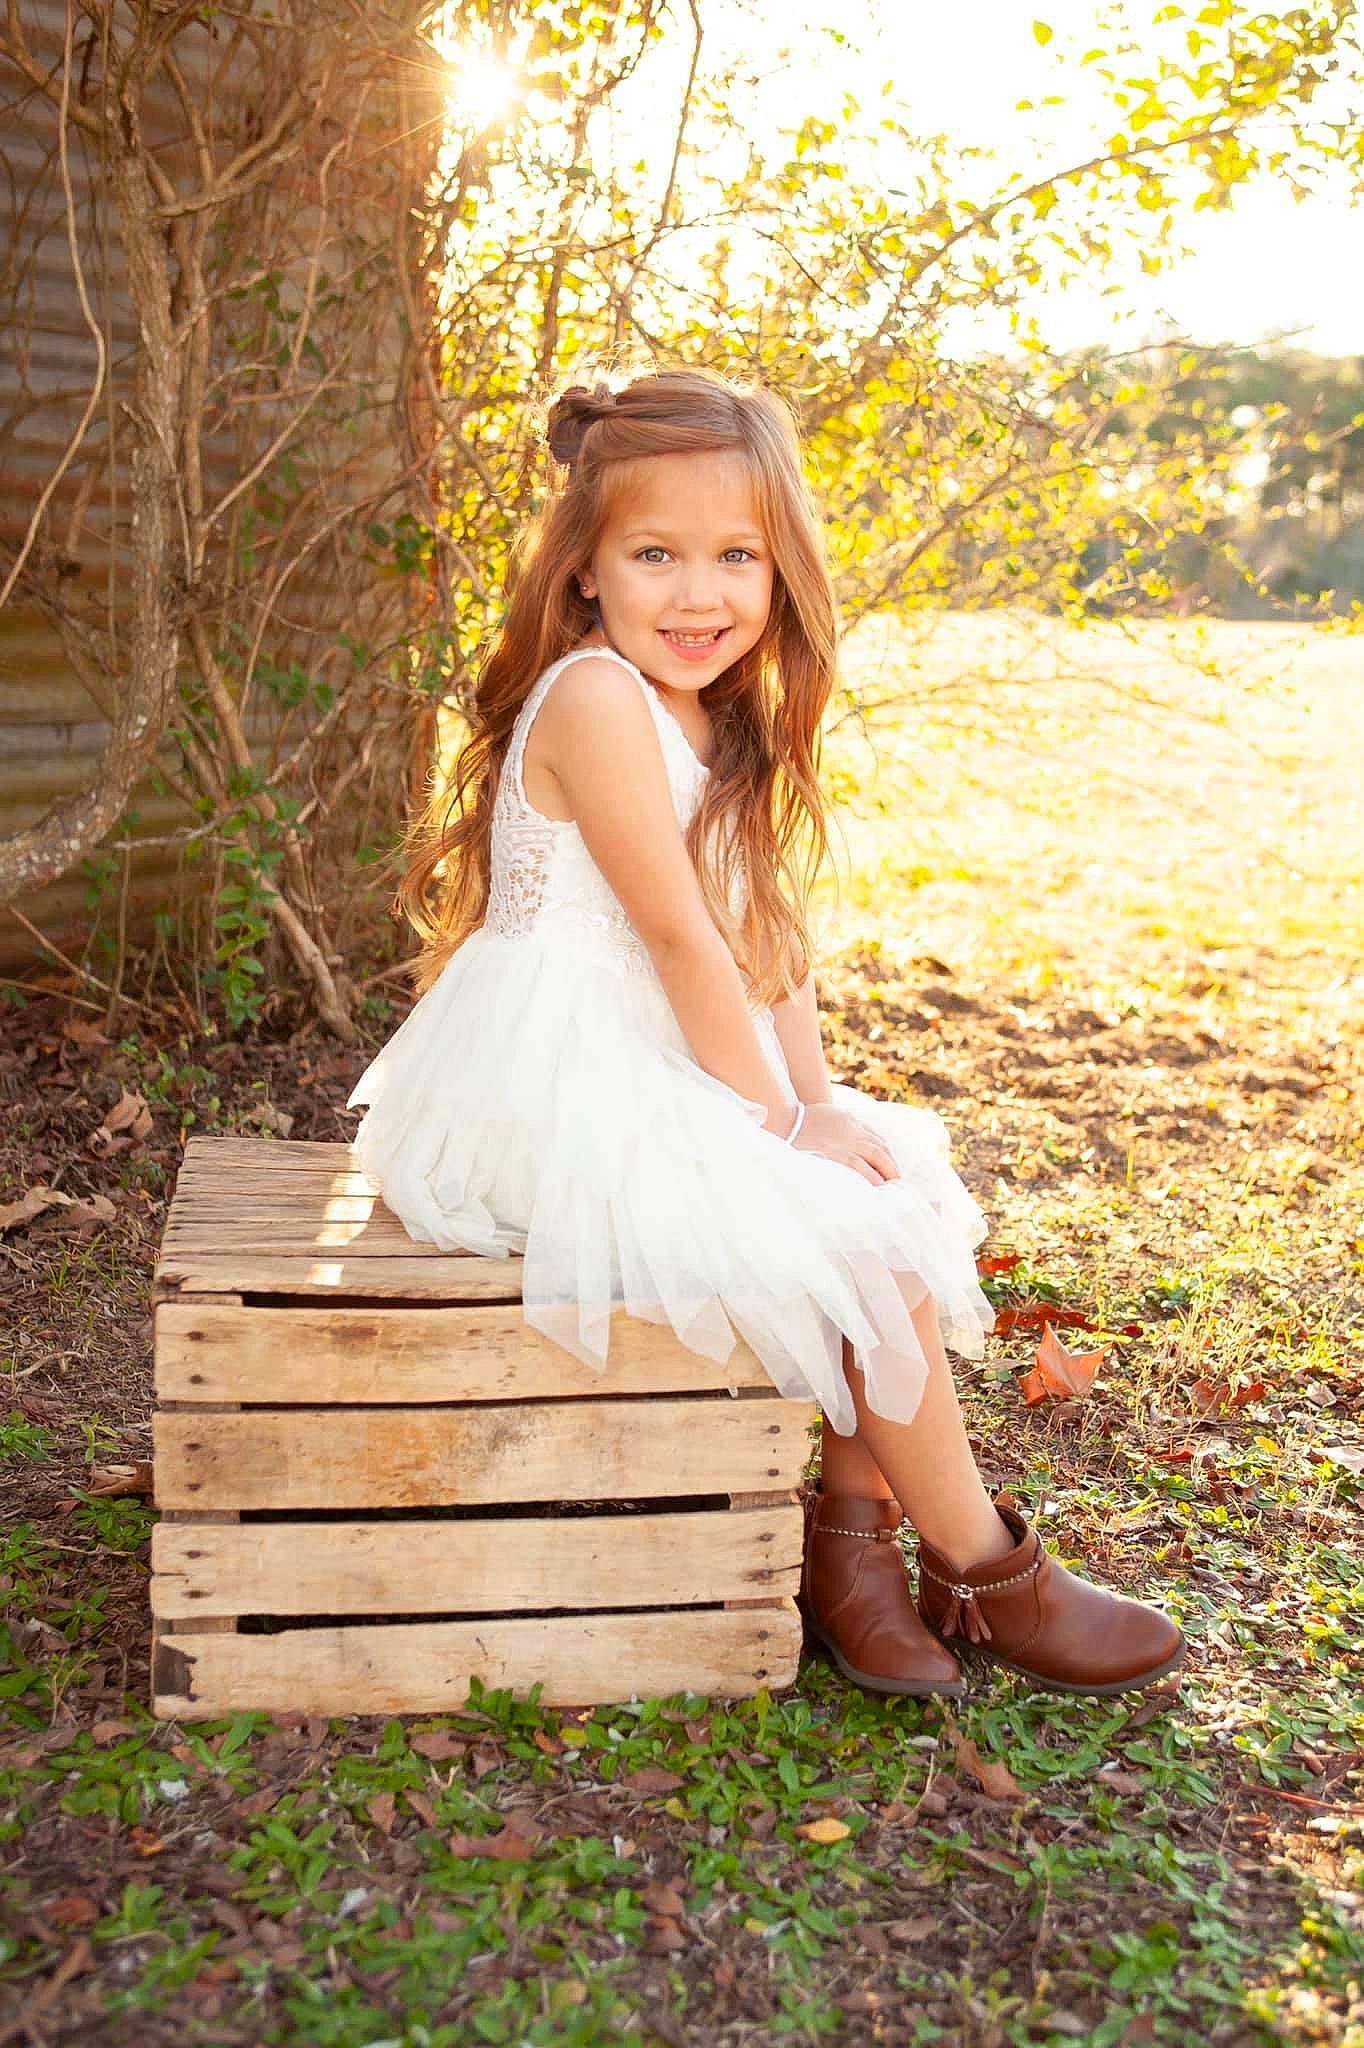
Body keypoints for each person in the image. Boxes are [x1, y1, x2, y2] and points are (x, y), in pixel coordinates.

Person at [349, 366, 1185, 1700]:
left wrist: (820, 1101)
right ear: (583, 573)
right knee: (843, 1230)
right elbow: (682, 941)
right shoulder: (596, 700)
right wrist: (780, 1132)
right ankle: (986, 1571)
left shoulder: (709, 712)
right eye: (657, 554)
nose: (701, 595)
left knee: (882, 1183)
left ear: (779, 567)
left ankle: (851, 1565)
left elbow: (761, 940)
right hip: (544, 1089)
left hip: (651, 1056)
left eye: (736, 555)